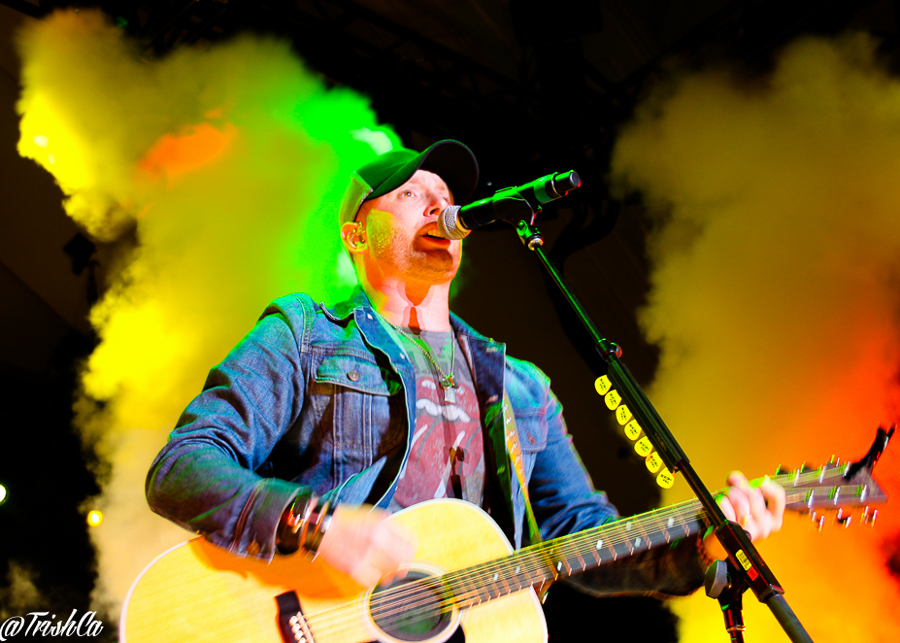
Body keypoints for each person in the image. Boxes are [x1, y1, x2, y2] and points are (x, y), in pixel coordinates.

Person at [146, 139, 784, 601]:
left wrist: (702, 549)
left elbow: (580, 536)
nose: (439, 206)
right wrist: (315, 524)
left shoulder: (521, 388)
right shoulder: (305, 334)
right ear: (355, 235)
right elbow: (183, 466)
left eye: (447, 198)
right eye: (410, 193)